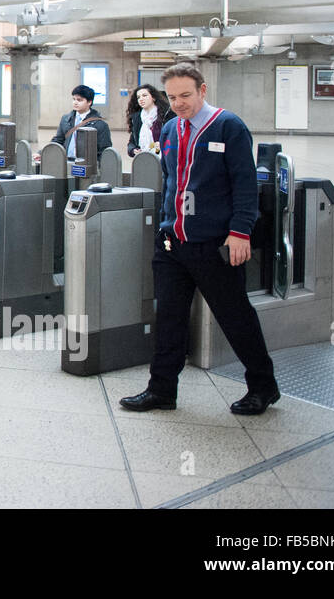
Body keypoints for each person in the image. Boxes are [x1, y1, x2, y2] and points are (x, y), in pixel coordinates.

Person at [120, 62, 280, 416]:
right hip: (172, 242)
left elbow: (245, 185)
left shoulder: (229, 126)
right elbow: (170, 182)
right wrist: (166, 224)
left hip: (215, 244)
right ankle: (161, 389)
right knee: (170, 318)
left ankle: (263, 386)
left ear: (203, 90)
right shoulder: (171, 129)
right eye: (173, 97)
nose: (179, 103)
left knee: (235, 316)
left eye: (186, 95)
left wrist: (240, 232)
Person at [49, 84, 112, 157]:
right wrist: (42, 153)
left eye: (79, 100)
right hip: (66, 162)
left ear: (89, 102)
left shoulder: (100, 125)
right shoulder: (66, 119)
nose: (75, 102)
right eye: (74, 99)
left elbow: (104, 151)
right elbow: (58, 140)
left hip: (87, 165)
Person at [125, 84, 174, 158]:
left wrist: (162, 144)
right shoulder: (137, 118)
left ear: (153, 98)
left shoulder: (167, 115)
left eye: (144, 95)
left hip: (164, 160)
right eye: (138, 97)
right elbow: (132, 143)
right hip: (145, 160)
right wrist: (133, 150)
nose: (141, 99)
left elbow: (174, 140)